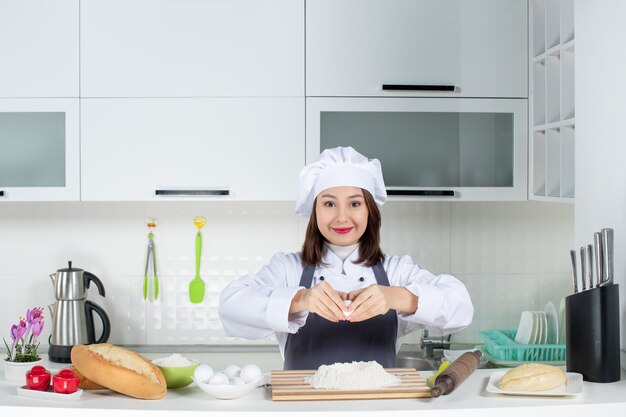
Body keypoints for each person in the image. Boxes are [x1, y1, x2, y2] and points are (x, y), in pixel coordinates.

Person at [218, 146, 473, 370]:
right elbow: (230, 307)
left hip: (375, 410)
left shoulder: (397, 271)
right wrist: (300, 299)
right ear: (315, 210)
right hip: (301, 408)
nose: (341, 217)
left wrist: (395, 296)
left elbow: (460, 308)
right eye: (329, 204)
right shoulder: (287, 269)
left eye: (354, 204)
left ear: (369, 210)